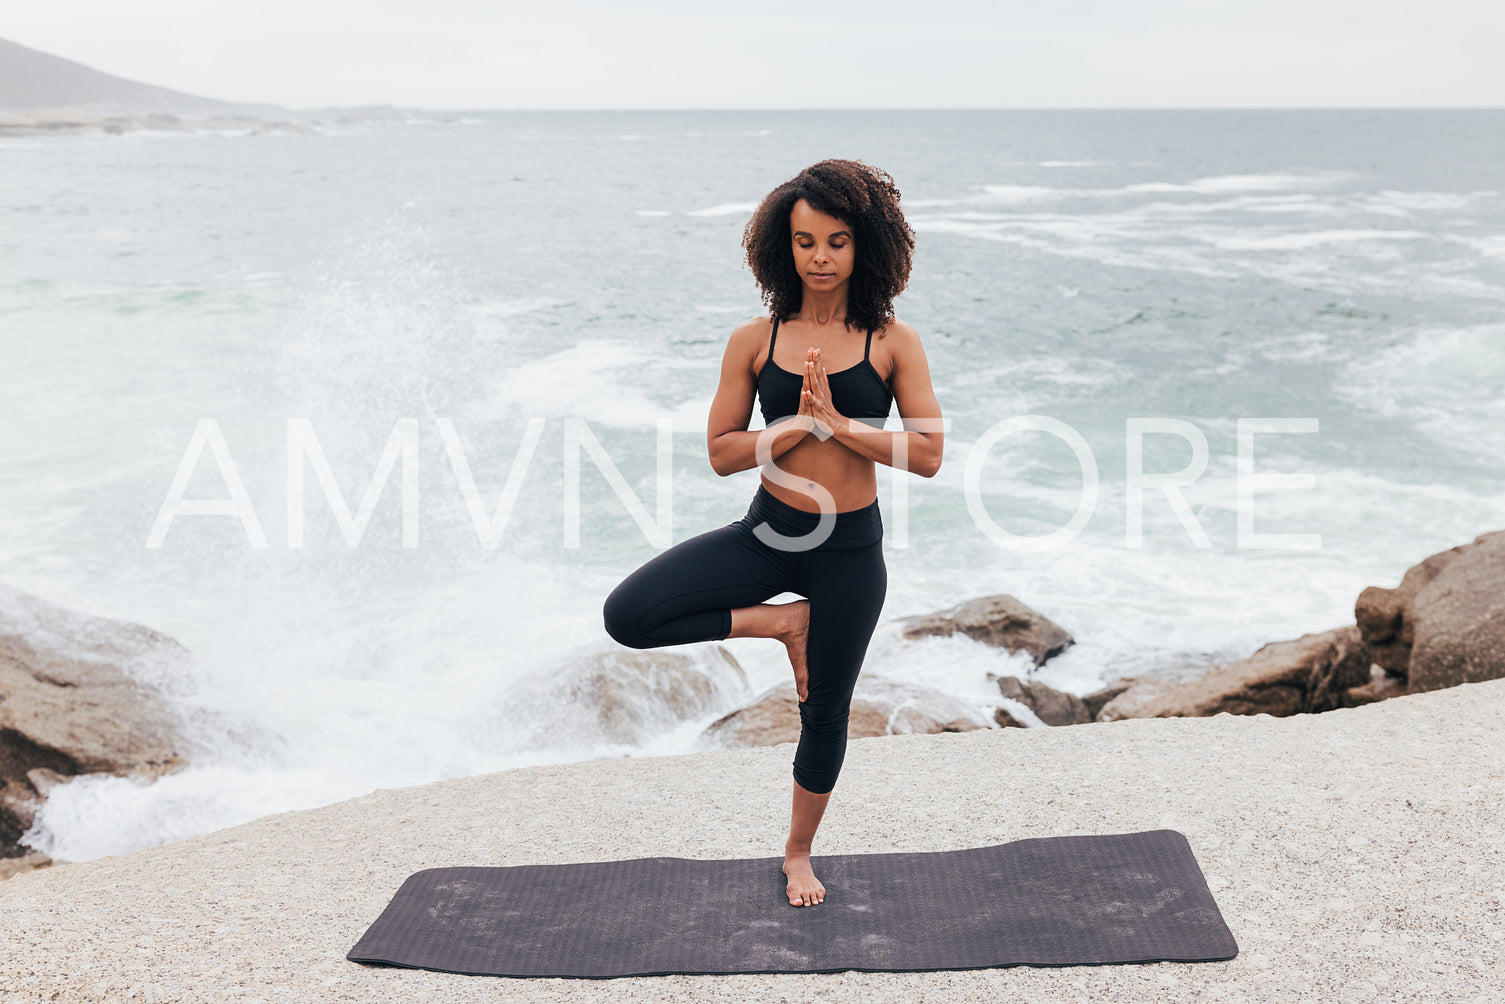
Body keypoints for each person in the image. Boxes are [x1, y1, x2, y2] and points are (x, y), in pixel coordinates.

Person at [603, 159, 943, 907]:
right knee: (627, 616)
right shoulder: (753, 341)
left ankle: (796, 853)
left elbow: (927, 455)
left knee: (824, 713)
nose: (819, 257)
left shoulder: (891, 342)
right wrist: (792, 424)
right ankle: (784, 622)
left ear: (867, 247)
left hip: (850, 552)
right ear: (779, 248)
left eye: (836, 241)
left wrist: (842, 427)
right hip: (767, 535)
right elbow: (722, 452)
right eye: (803, 241)